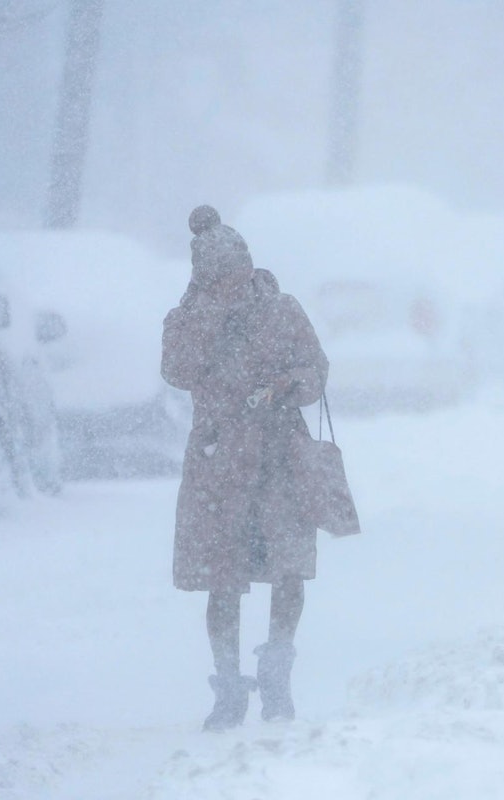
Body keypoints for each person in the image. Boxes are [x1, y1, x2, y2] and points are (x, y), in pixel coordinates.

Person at [161, 205, 329, 731]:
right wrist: (208, 317)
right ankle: (228, 688)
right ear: (204, 278)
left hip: (280, 459)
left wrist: (286, 385)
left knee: (288, 569)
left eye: (237, 273)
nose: (232, 285)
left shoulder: (282, 309)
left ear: (248, 265)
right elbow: (177, 371)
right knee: (221, 579)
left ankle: (277, 676)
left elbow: (315, 368)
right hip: (220, 465)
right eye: (220, 278)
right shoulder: (187, 318)